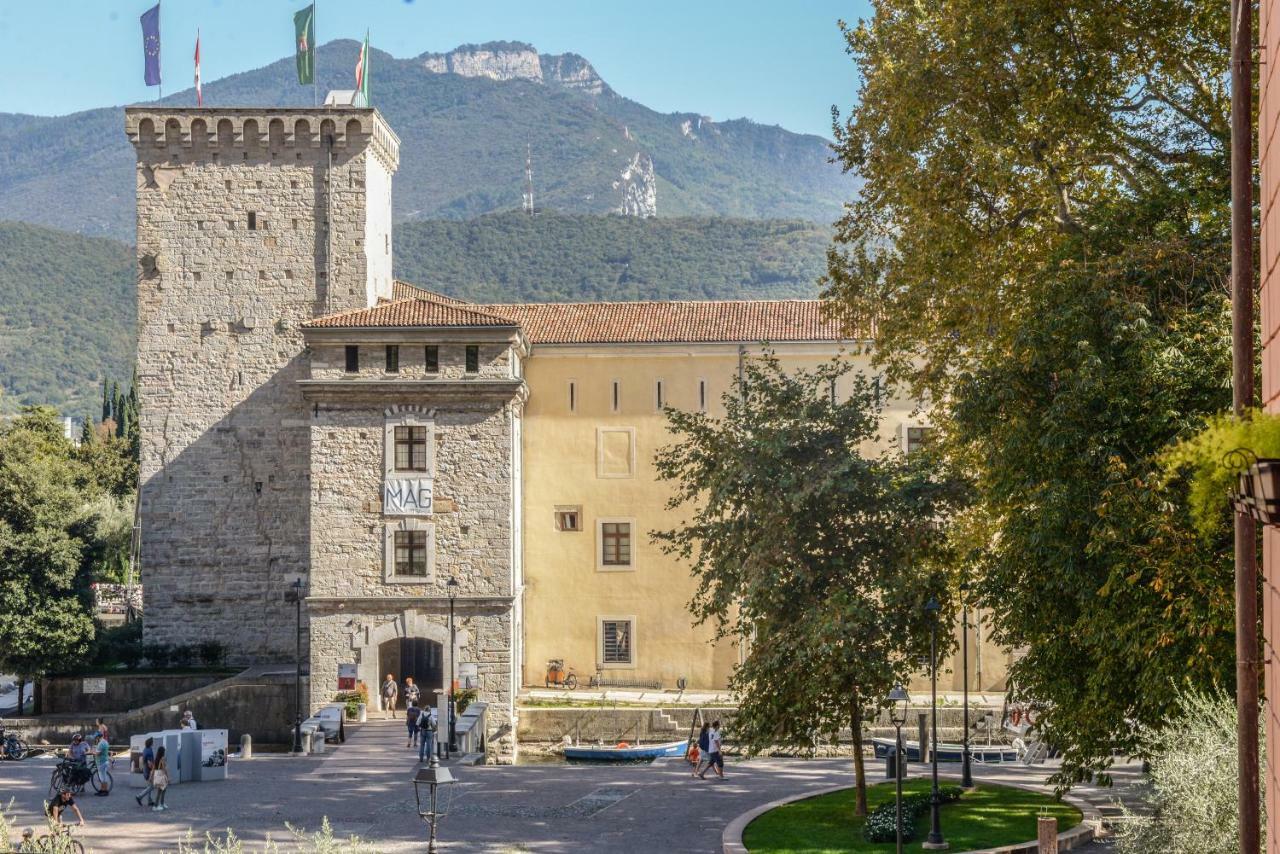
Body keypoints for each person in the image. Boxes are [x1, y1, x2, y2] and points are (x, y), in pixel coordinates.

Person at [135, 737, 156, 807]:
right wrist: (153, 771)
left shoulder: (145, 750)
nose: (153, 743)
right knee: (152, 786)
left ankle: (149, 801)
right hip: (148, 770)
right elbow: (150, 763)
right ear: (151, 743)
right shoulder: (149, 751)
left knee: (149, 785)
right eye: (153, 742)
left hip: (145, 769)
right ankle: (139, 796)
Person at [151, 746, 170, 812]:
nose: (165, 752)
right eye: (164, 751)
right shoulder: (162, 759)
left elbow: (153, 768)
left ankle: (161, 803)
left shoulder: (156, 759)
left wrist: (151, 777)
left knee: (163, 789)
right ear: (162, 752)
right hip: (161, 776)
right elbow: (164, 769)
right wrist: (168, 777)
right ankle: (155, 806)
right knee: (160, 791)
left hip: (157, 776)